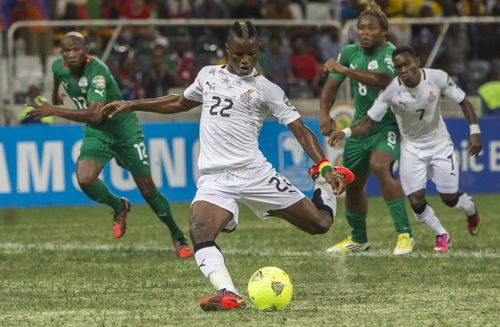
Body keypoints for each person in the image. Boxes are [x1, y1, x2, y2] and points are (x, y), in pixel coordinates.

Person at [101, 21, 354, 311]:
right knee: (199, 229)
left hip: (255, 174)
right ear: (227, 51)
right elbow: (180, 102)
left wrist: (324, 167)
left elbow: (299, 129)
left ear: (258, 50)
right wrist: (132, 104)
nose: (244, 61)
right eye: (237, 54)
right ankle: (228, 292)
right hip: (215, 178)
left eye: (250, 54)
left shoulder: (266, 89)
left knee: (320, 225)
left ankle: (320, 185)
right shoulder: (208, 75)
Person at [28, 31, 192, 259]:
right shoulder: (59, 66)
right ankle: (119, 206)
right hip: (98, 134)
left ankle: (177, 235)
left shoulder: (97, 72)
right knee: (84, 179)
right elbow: (59, 78)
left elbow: (96, 114)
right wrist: (56, 96)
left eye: (77, 49)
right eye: (67, 50)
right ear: (61, 53)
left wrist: (53, 109)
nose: (72, 54)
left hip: (124, 131)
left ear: (86, 51)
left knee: (147, 189)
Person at [329, 45, 482, 252]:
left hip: (439, 145)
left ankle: (471, 210)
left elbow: (463, 101)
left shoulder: (437, 78)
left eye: (406, 64)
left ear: (417, 62)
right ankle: (441, 234)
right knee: (416, 201)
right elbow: (367, 122)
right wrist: (345, 133)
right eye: (398, 67)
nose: (403, 70)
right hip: (411, 148)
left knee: (449, 198)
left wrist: (474, 132)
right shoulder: (392, 90)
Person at [319, 2, 414, 255]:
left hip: (386, 126)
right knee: (352, 183)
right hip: (359, 129)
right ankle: (358, 239)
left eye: (371, 28)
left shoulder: (390, 53)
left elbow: (383, 80)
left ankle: (405, 235)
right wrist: (324, 114)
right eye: (361, 28)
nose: (364, 32)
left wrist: (346, 70)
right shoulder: (349, 52)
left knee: (381, 166)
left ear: (383, 31)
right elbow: (331, 86)